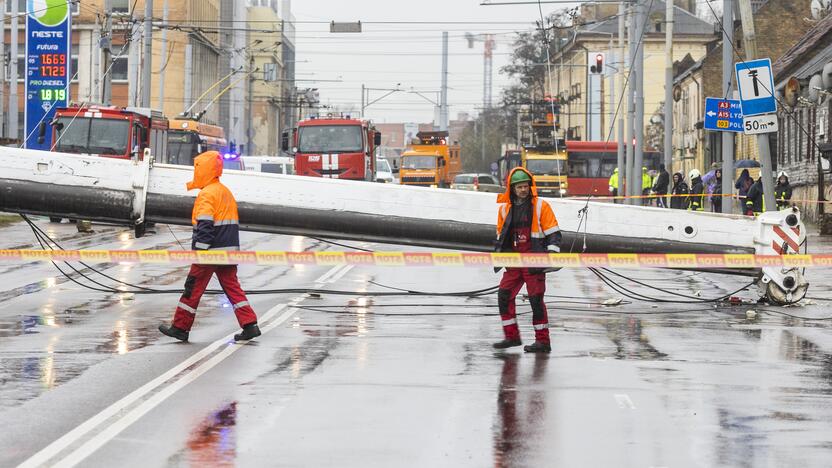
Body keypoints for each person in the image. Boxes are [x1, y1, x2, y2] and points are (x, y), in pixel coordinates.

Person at [159, 151, 261, 342]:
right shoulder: (224, 191)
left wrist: (200, 251)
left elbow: (205, 224)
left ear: (203, 170)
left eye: (197, 169)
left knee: (192, 288)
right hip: (228, 251)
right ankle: (250, 325)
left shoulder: (207, 194)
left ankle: (180, 327)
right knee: (233, 288)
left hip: (210, 253)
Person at [493, 167, 562, 354]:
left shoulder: (541, 206)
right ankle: (511, 336)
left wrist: (551, 256)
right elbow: (501, 235)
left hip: (534, 260)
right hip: (515, 262)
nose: (524, 190)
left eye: (526, 186)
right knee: (504, 295)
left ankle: (543, 341)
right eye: (520, 187)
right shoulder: (504, 209)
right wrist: (501, 255)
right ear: (512, 188)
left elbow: (554, 234)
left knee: (536, 301)